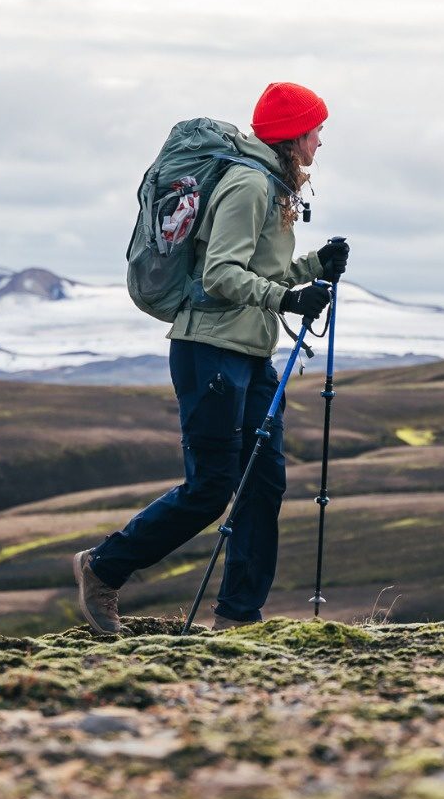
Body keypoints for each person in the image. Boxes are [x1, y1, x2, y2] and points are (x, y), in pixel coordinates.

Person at [72, 81, 349, 632]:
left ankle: (239, 618)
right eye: (316, 131)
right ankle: (102, 568)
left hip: (247, 355)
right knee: (212, 488)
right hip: (210, 354)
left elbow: (257, 272)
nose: (320, 141)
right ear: (294, 137)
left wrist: (314, 267)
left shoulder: (272, 185)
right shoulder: (249, 185)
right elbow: (221, 275)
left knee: (262, 483)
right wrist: (286, 299)